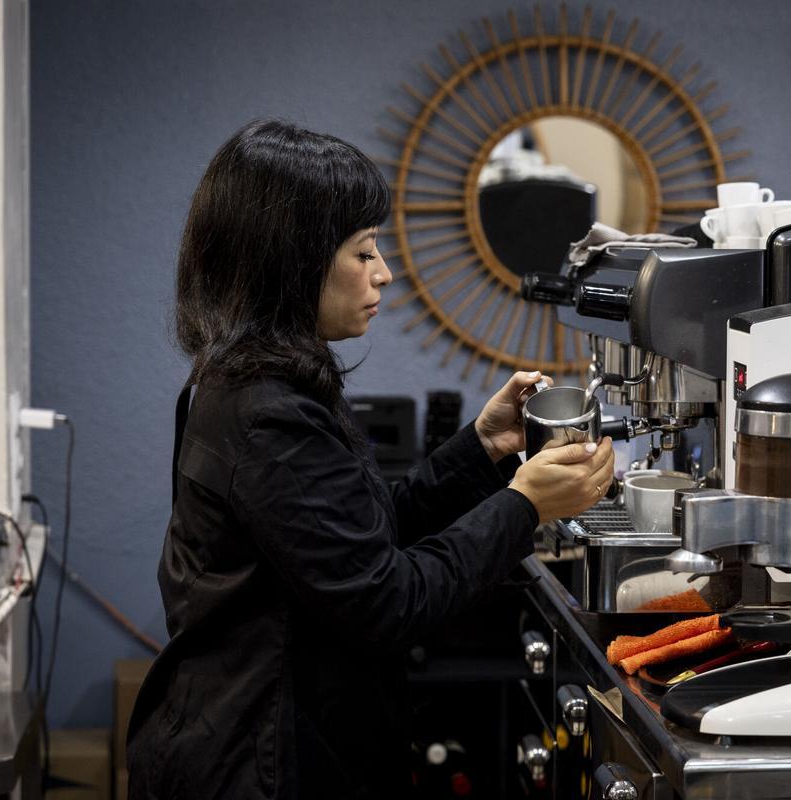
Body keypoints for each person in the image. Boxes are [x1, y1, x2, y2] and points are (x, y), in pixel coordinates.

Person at [125, 119, 615, 799]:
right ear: (290, 261)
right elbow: (390, 599)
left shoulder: (261, 380)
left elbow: (363, 531)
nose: (383, 272)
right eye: (363, 252)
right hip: (257, 764)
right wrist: (525, 505)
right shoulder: (265, 412)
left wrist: (481, 448)